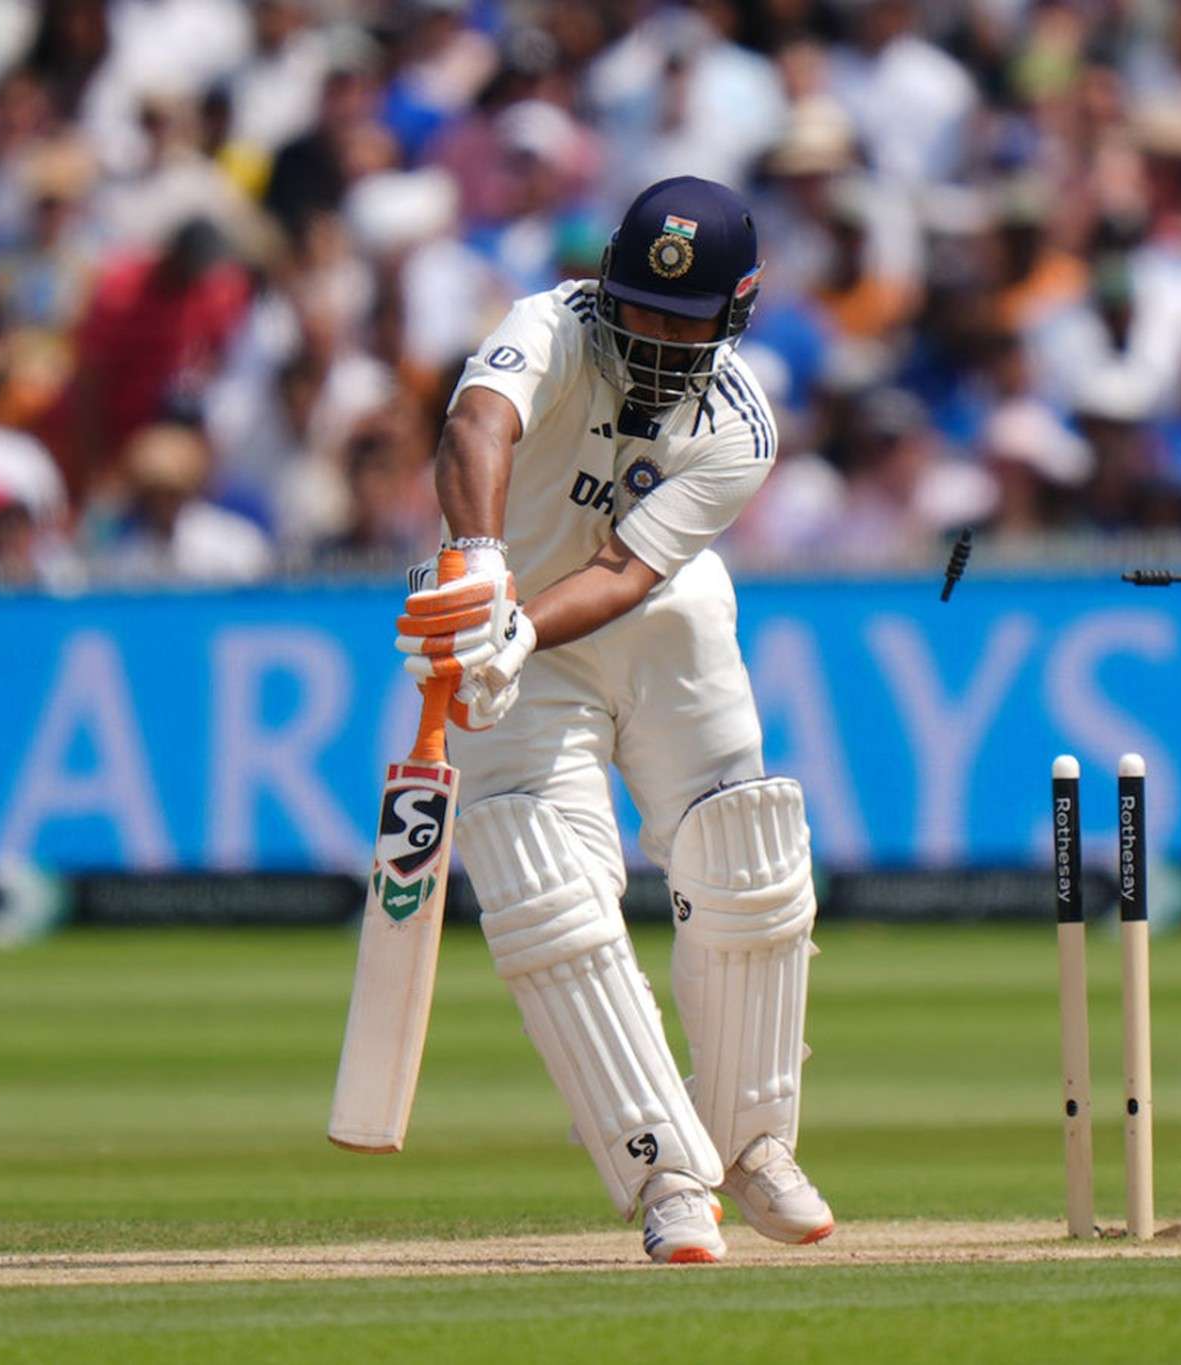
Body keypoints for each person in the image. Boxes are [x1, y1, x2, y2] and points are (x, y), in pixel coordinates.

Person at [395, 176, 833, 1265]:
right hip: (514, 639)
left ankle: (754, 1141)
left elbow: (628, 568)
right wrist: (482, 576)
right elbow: (475, 427)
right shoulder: (545, 325)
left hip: (655, 623)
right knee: (550, 895)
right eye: (638, 308)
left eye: (684, 322)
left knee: (747, 862)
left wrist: (520, 630)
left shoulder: (742, 423)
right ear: (605, 287)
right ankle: (667, 1177)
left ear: (738, 309)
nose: (654, 338)